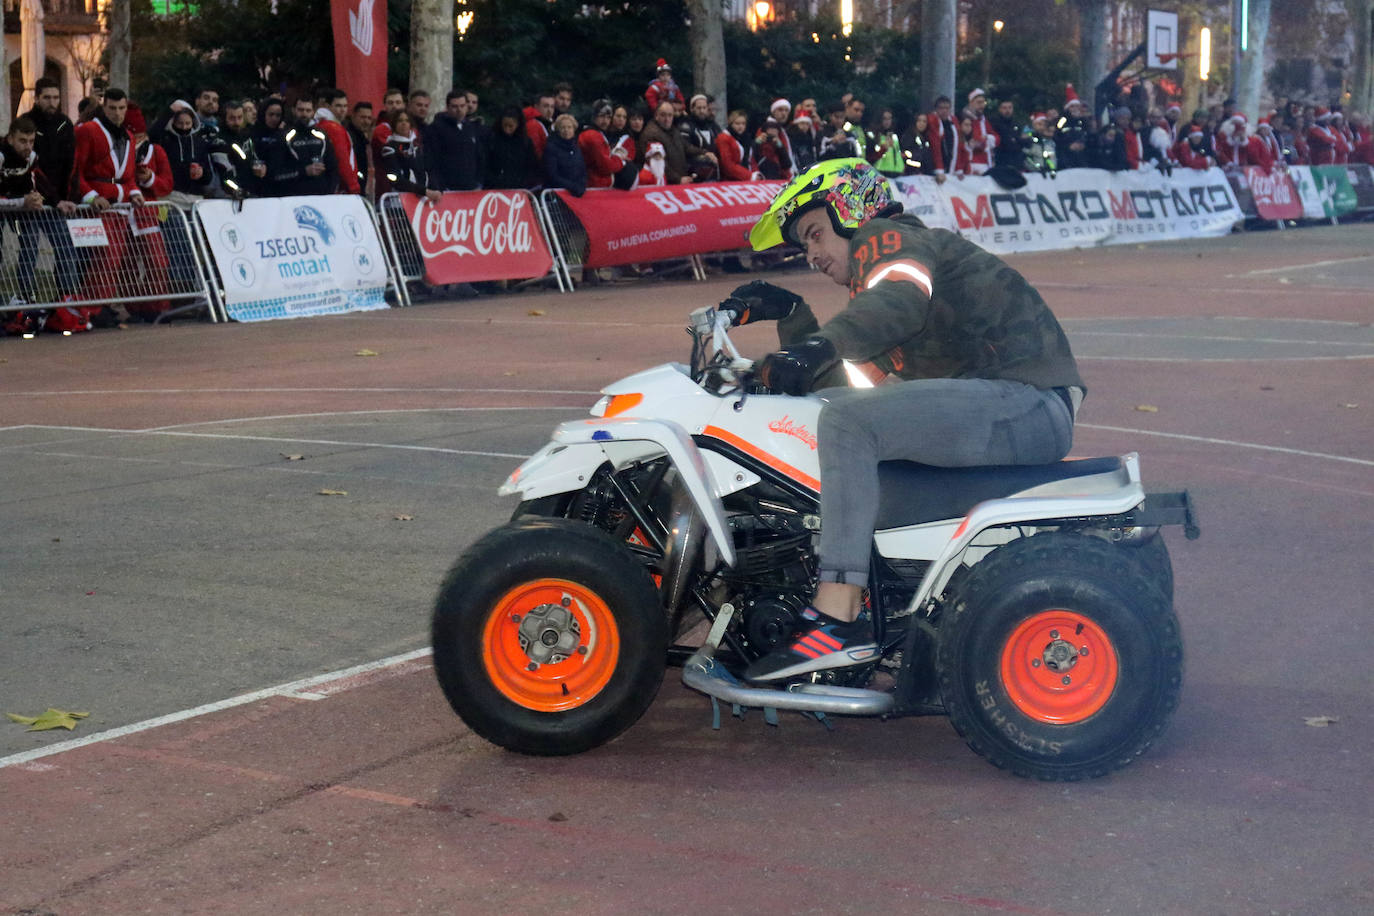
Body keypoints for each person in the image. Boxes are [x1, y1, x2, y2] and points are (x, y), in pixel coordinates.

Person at [730, 158, 1082, 681]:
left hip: (1023, 400)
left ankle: (836, 618)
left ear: (850, 211)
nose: (813, 255)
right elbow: (851, 390)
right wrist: (794, 321)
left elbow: (898, 300)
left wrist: (817, 345)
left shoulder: (888, 239)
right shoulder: (879, 298)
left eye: (815, 234)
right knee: (851, 429)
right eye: (805, 247)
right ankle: (875, 604)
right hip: (1013, 405)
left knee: (848, 427)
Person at [263, 97, 338, 196]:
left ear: (313, 112)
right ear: (294, 110)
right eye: (301, 110)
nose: (304, 114)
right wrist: (304, 171)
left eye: (308, 110)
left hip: (321, 196)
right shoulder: (283, 136)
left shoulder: (321, 135)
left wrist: (330, 191)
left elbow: (333, 167)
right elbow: (275, 174)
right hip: (293, 197)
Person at [21, 77, 75, 208]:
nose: (52, 102)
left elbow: (71, 162)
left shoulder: (65, 123)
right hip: (32, 199)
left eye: (56, 98)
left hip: (62, 198)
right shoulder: (25, 122)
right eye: (47, 98)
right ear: (37, 98)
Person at [638, 100, 712, 184]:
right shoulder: (651, 134)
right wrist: (677, 179)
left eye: (670, 115)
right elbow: (658, 163)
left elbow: (686, 147)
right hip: (663, 184)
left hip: (679, 180)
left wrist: (704, 152)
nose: (667, 119)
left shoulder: (673, 130)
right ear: (656, 116)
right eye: (663, 115)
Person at [426, 90, 485, 191]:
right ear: (447, 107)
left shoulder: (471, 128)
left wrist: (479, 182)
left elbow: (479, 155)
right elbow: (432, 159)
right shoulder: (436, 128)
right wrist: (440, 185)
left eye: (462, 106)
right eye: (455, 106)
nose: (459, 110)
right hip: (447, 188)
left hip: (471, 186)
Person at [312, 88, 361, 194]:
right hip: (340, 188)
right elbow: (342, 158)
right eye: (338, 106)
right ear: (328, 107)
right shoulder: (334, 128)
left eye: (345, 106)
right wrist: (353, 186)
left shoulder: (320, 124)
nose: (343, 110)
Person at [578, 98, 629, 189]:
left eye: (608, 117)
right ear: (594, 116)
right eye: (601, 116)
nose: (605, 121)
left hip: (596, 185)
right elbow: (605, 166)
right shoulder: (593, 136)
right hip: (594, 186)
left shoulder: (597, 133)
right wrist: (620, 160)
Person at [485, 106, 540, 190]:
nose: (507, 129)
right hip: (496, 187)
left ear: (517, 125)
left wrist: (524, 182)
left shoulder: (525, 142)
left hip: (519, 187)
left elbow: (531, 165)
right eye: (505, 125)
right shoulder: (492, 139)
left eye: (511, 126)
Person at [543, 113, 587, 196]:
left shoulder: (577, 148)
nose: (566, 130)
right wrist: (572, 186)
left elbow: (582, 170)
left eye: (569, 127)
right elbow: (552, 175)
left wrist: (582, 185)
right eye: (563, 127)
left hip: (576, 193)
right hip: (558, 194)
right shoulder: (551, 148)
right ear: (558, 130)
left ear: (574, 129)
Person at [716, 109, 758, 181]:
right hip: (730, 180)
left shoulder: (746, 138)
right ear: (731, 123)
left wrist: (756, 173)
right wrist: (749, 175)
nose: (740, 126)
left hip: (747, 177)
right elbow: (727, 164)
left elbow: (751, 160)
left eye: (743, 123)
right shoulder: (724, 138)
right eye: (737, 123)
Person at [924, 95, 957, 179]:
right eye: (941, 108)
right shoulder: (933, 121)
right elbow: (935, 146)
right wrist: (939, 169)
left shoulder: (953, 122)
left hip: (950, 164)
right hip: (934, 167)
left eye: (947, 108)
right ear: (936, 109)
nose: (944, 111)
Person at [865, 108, 904, 177]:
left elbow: (897, 154)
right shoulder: (873, 135)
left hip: (897, 172)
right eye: (884, 119)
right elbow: (870, 157)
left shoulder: (894, 136)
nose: (887, 121)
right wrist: (883, 148)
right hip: (880, 172)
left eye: (889, 119)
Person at [988, 98, 1025, 171]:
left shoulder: (1016, 123)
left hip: (1017, 162)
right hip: (1001, 161)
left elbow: (1024, 140)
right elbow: (1004, 141)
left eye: (1010, 107)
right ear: (999, 109)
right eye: (1004, 108)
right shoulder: (994, 123)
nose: (1007, 110)